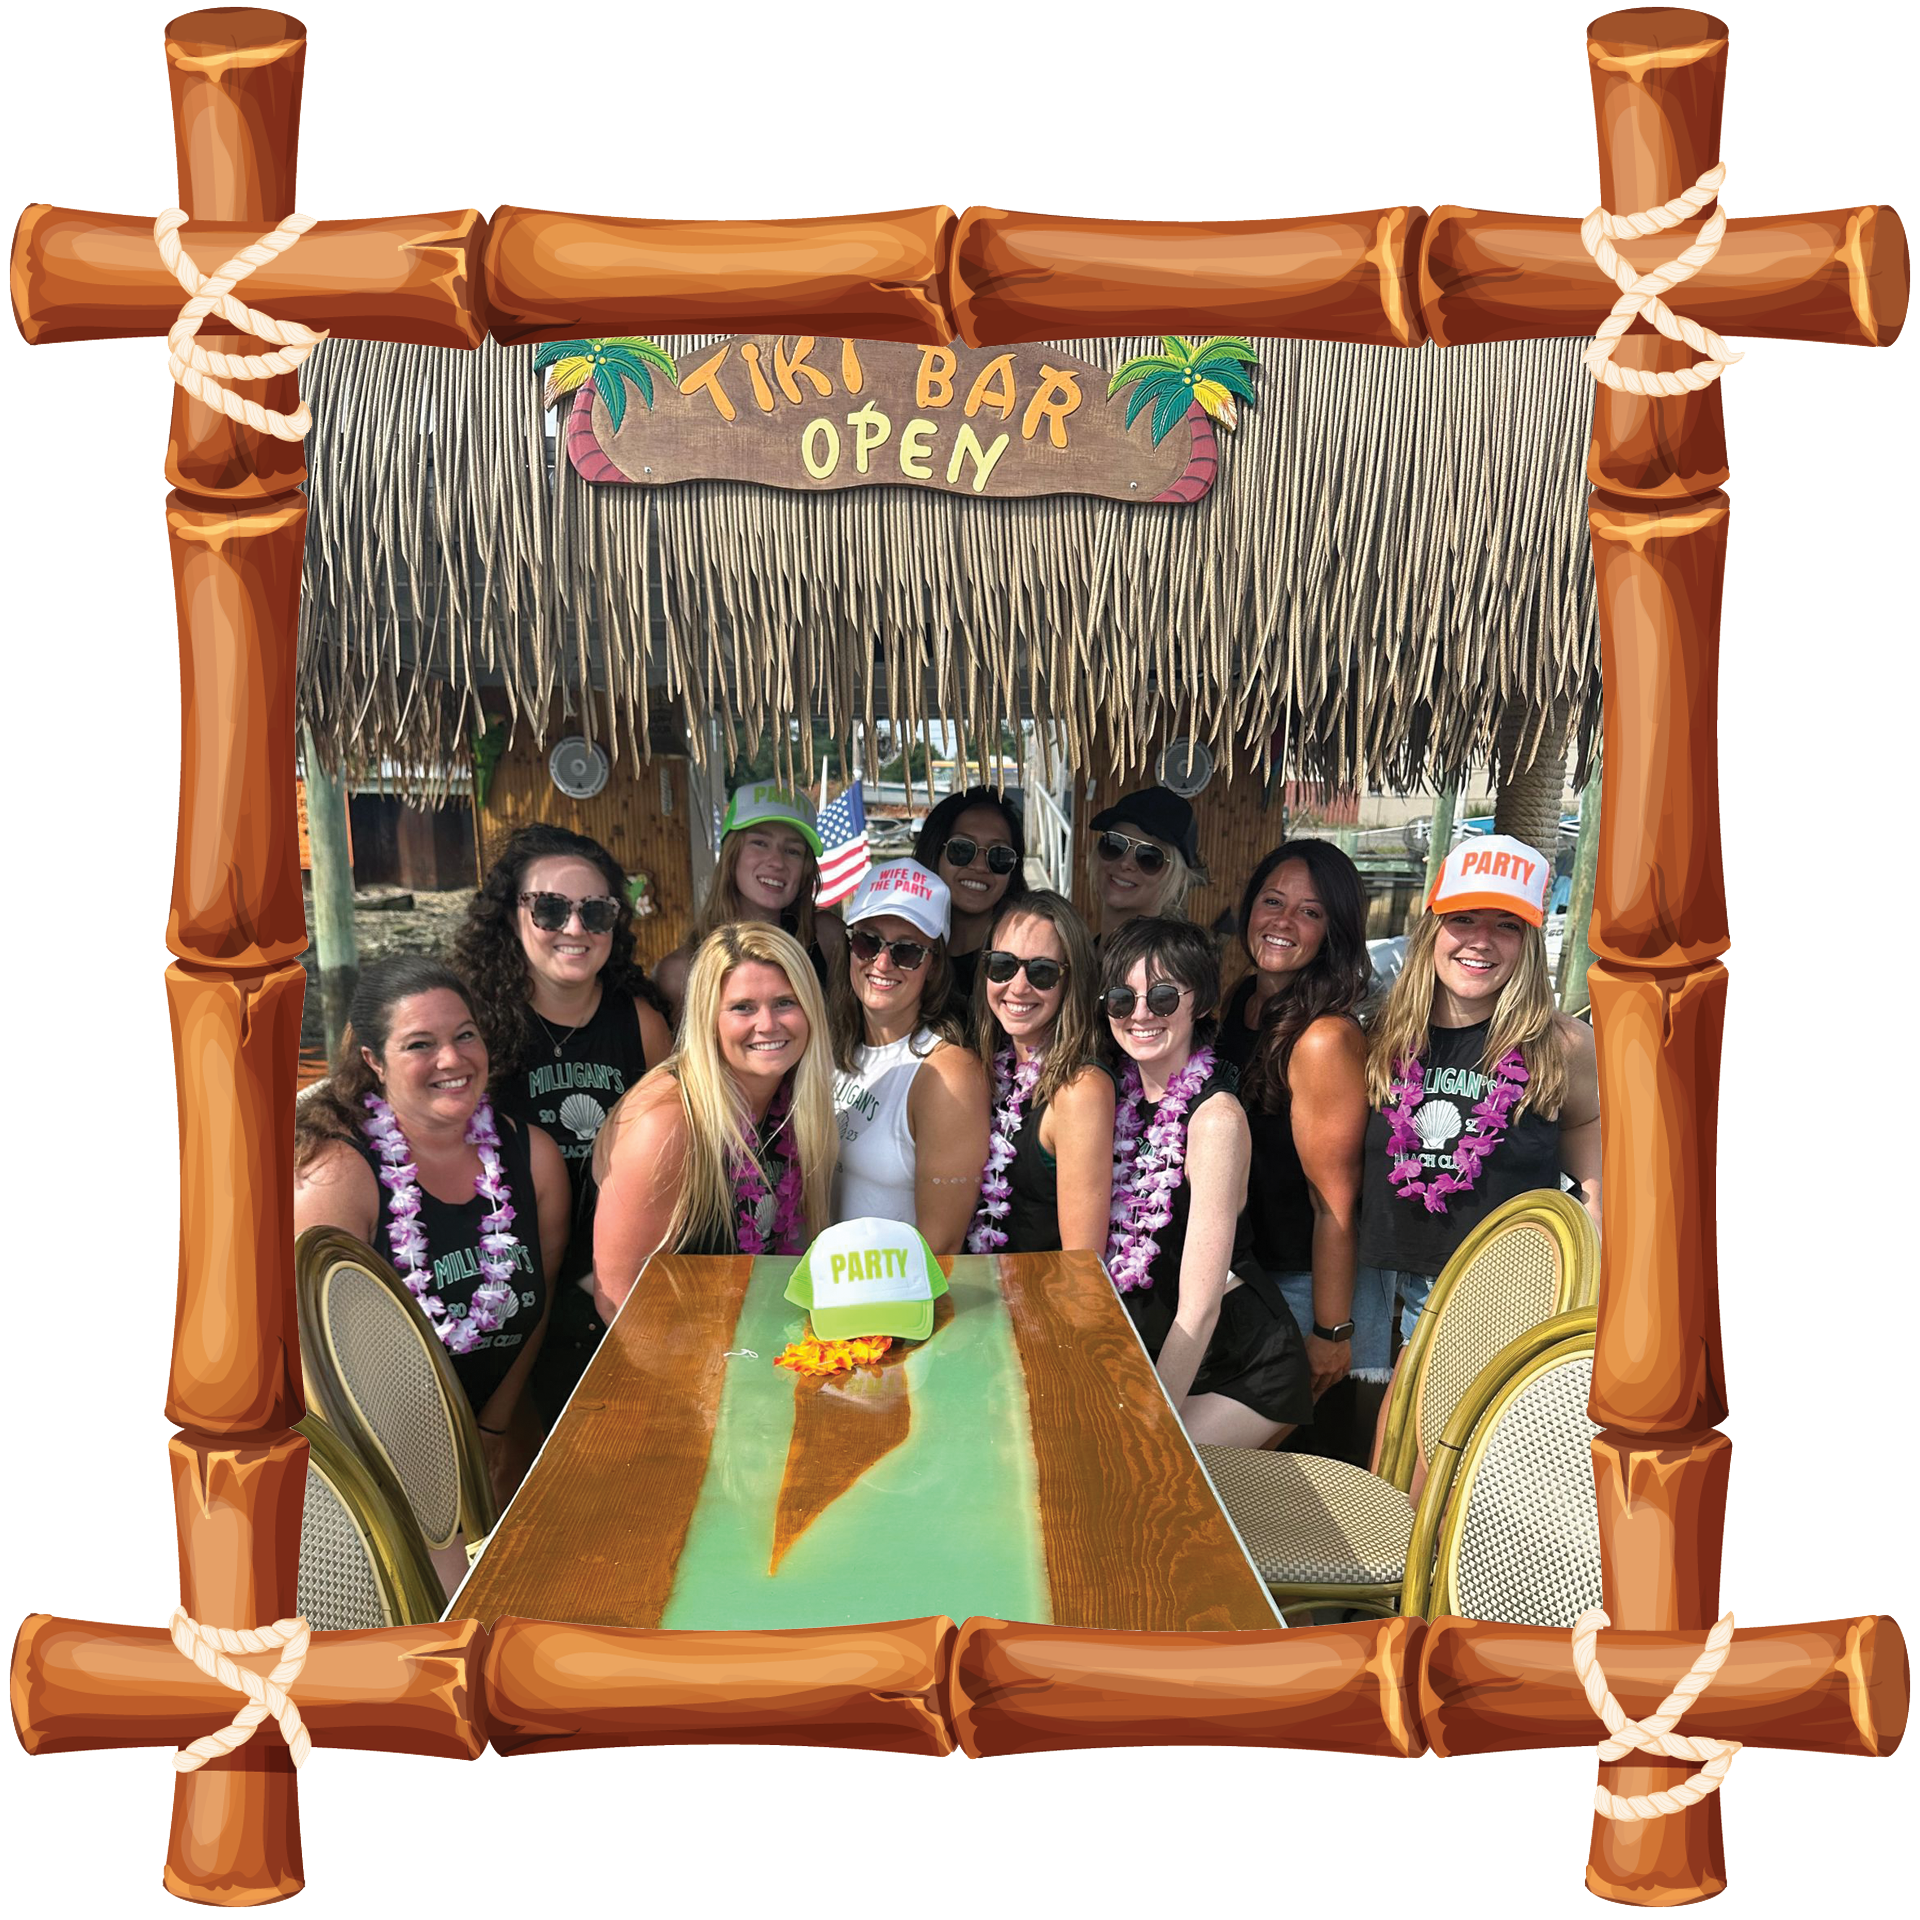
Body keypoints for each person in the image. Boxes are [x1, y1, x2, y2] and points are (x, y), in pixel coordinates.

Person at [293, 958, 568, 1511]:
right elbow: (318, 1366)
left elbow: (538, 1300)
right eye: (420, 1044)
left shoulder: (532, 1155)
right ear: (373, 1060)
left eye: (465, 1035)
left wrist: (491, 1431)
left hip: (493, 1440)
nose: (452, 1059)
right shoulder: (337, 1175)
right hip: (372, 1464)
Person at [452, 823, 673, 1429]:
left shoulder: (641, 1023)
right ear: (510, 914)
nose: (575, 929)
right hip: (501, 1284)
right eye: (550, 909)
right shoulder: (473, 1026)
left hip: (606, 1281)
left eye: (595, 912)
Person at [1356, 832, 1603, 1364]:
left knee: (1425, 1444)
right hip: (1373, 1285)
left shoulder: (1564, 1047)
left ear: (1530, 941)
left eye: (1507, 925)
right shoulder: (1376, 1036)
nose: (1481, 940)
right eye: (1464, 918)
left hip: (1492, 1295)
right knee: (1366, 1437)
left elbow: (1595, 1186)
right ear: (1432, 929)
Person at [1101, 917, 1313, 1446]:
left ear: (1201, 1002)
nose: (1141, 1014)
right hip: (1163, 1348)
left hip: (1239, 1366)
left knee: (1142, 1475)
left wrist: (1150, 1423)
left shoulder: (1215, 1120)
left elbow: (1201, 1305)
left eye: (1165, 996)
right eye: (1123, 998)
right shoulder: (1118, 1097)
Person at [591, 922, 837, 1319]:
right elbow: (619, 1301)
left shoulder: (793, 1104)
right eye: (743, 1007)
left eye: (785, 1002)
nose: (768, 1024)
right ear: (709, 1018)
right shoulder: (666, 1124)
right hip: (676, 1365)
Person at [1220, 841, 1381, 1417]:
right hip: (1251, 1276)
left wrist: (1331, 1332)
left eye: (1310, 912)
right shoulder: (1243, 1000)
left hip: (1306, 1287)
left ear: (1333, 932)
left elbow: (1333, 1202)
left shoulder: (1324, 1039)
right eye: (1273, 901)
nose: (1284, 922)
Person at [829, 859, 990, 1252]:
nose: (881, 963)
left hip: (887, 1305)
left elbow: (941, 1247)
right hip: (823, 1292)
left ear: (933, 966)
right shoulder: (833, 1046)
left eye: (906, 952)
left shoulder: (948, 1073)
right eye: (867, 941)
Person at [966, 890, 1114, 1255]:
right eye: (1002, 965)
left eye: (1042, 972)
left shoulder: (1080, 1090)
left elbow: (1082, 1263)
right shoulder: (993, 1068)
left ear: (1070, 981)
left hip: (1041, 1307)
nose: (1017, 987)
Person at [654, 783, 847, 1019]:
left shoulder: (829, 938)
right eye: (760, 843)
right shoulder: (679, 973)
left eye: (793, 851)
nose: (776, 861)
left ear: (806, 869)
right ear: (731, 855)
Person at [914, 785, 1030, 1006]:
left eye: (999, 855)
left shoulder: (1024, 967)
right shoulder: (899, 953)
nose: (979, 866)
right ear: (935, 851)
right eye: (962, 849)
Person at [1085, 785, 1206, 940]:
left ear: (1179, 878)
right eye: (1114, 844)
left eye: (1149, 857)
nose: (1125, 863)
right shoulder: (1072, 959)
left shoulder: (1169, 964)